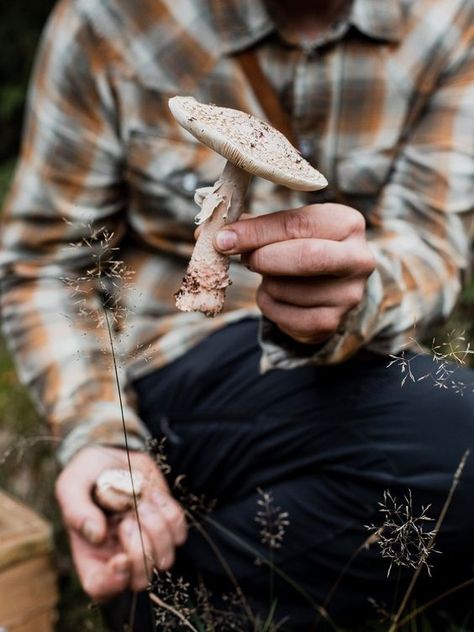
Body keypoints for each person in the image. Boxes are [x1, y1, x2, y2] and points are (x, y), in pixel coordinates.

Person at [1, 0, 473, 628]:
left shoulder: (446, 19)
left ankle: (158, 588)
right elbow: (44, 264)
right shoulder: (110, 18)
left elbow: (431, 242)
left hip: (358, 359)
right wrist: (102, 438)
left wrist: (356, 298)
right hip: (169, 360)